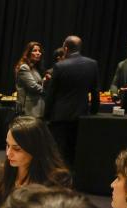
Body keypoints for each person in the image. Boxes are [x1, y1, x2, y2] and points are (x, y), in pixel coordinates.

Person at [44, 36, 100, 167]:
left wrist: (46, 115)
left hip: (60, 117)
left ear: (65, 48)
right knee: (76, 151)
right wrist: (93, 112)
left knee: (60, 152)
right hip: (82, 115)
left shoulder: (59, 66)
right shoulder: (92, 64)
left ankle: (61, 176)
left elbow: (51, 94)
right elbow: (95, 91)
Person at [15, 42, 45, 118]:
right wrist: (48, 90)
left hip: (36, 107)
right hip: (29, 109)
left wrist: (45, 81)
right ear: (28, 53)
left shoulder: (34, 68)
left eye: (39, 51)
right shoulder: (24, 67)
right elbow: (33, 86)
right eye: (35, 50)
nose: (38, 53)